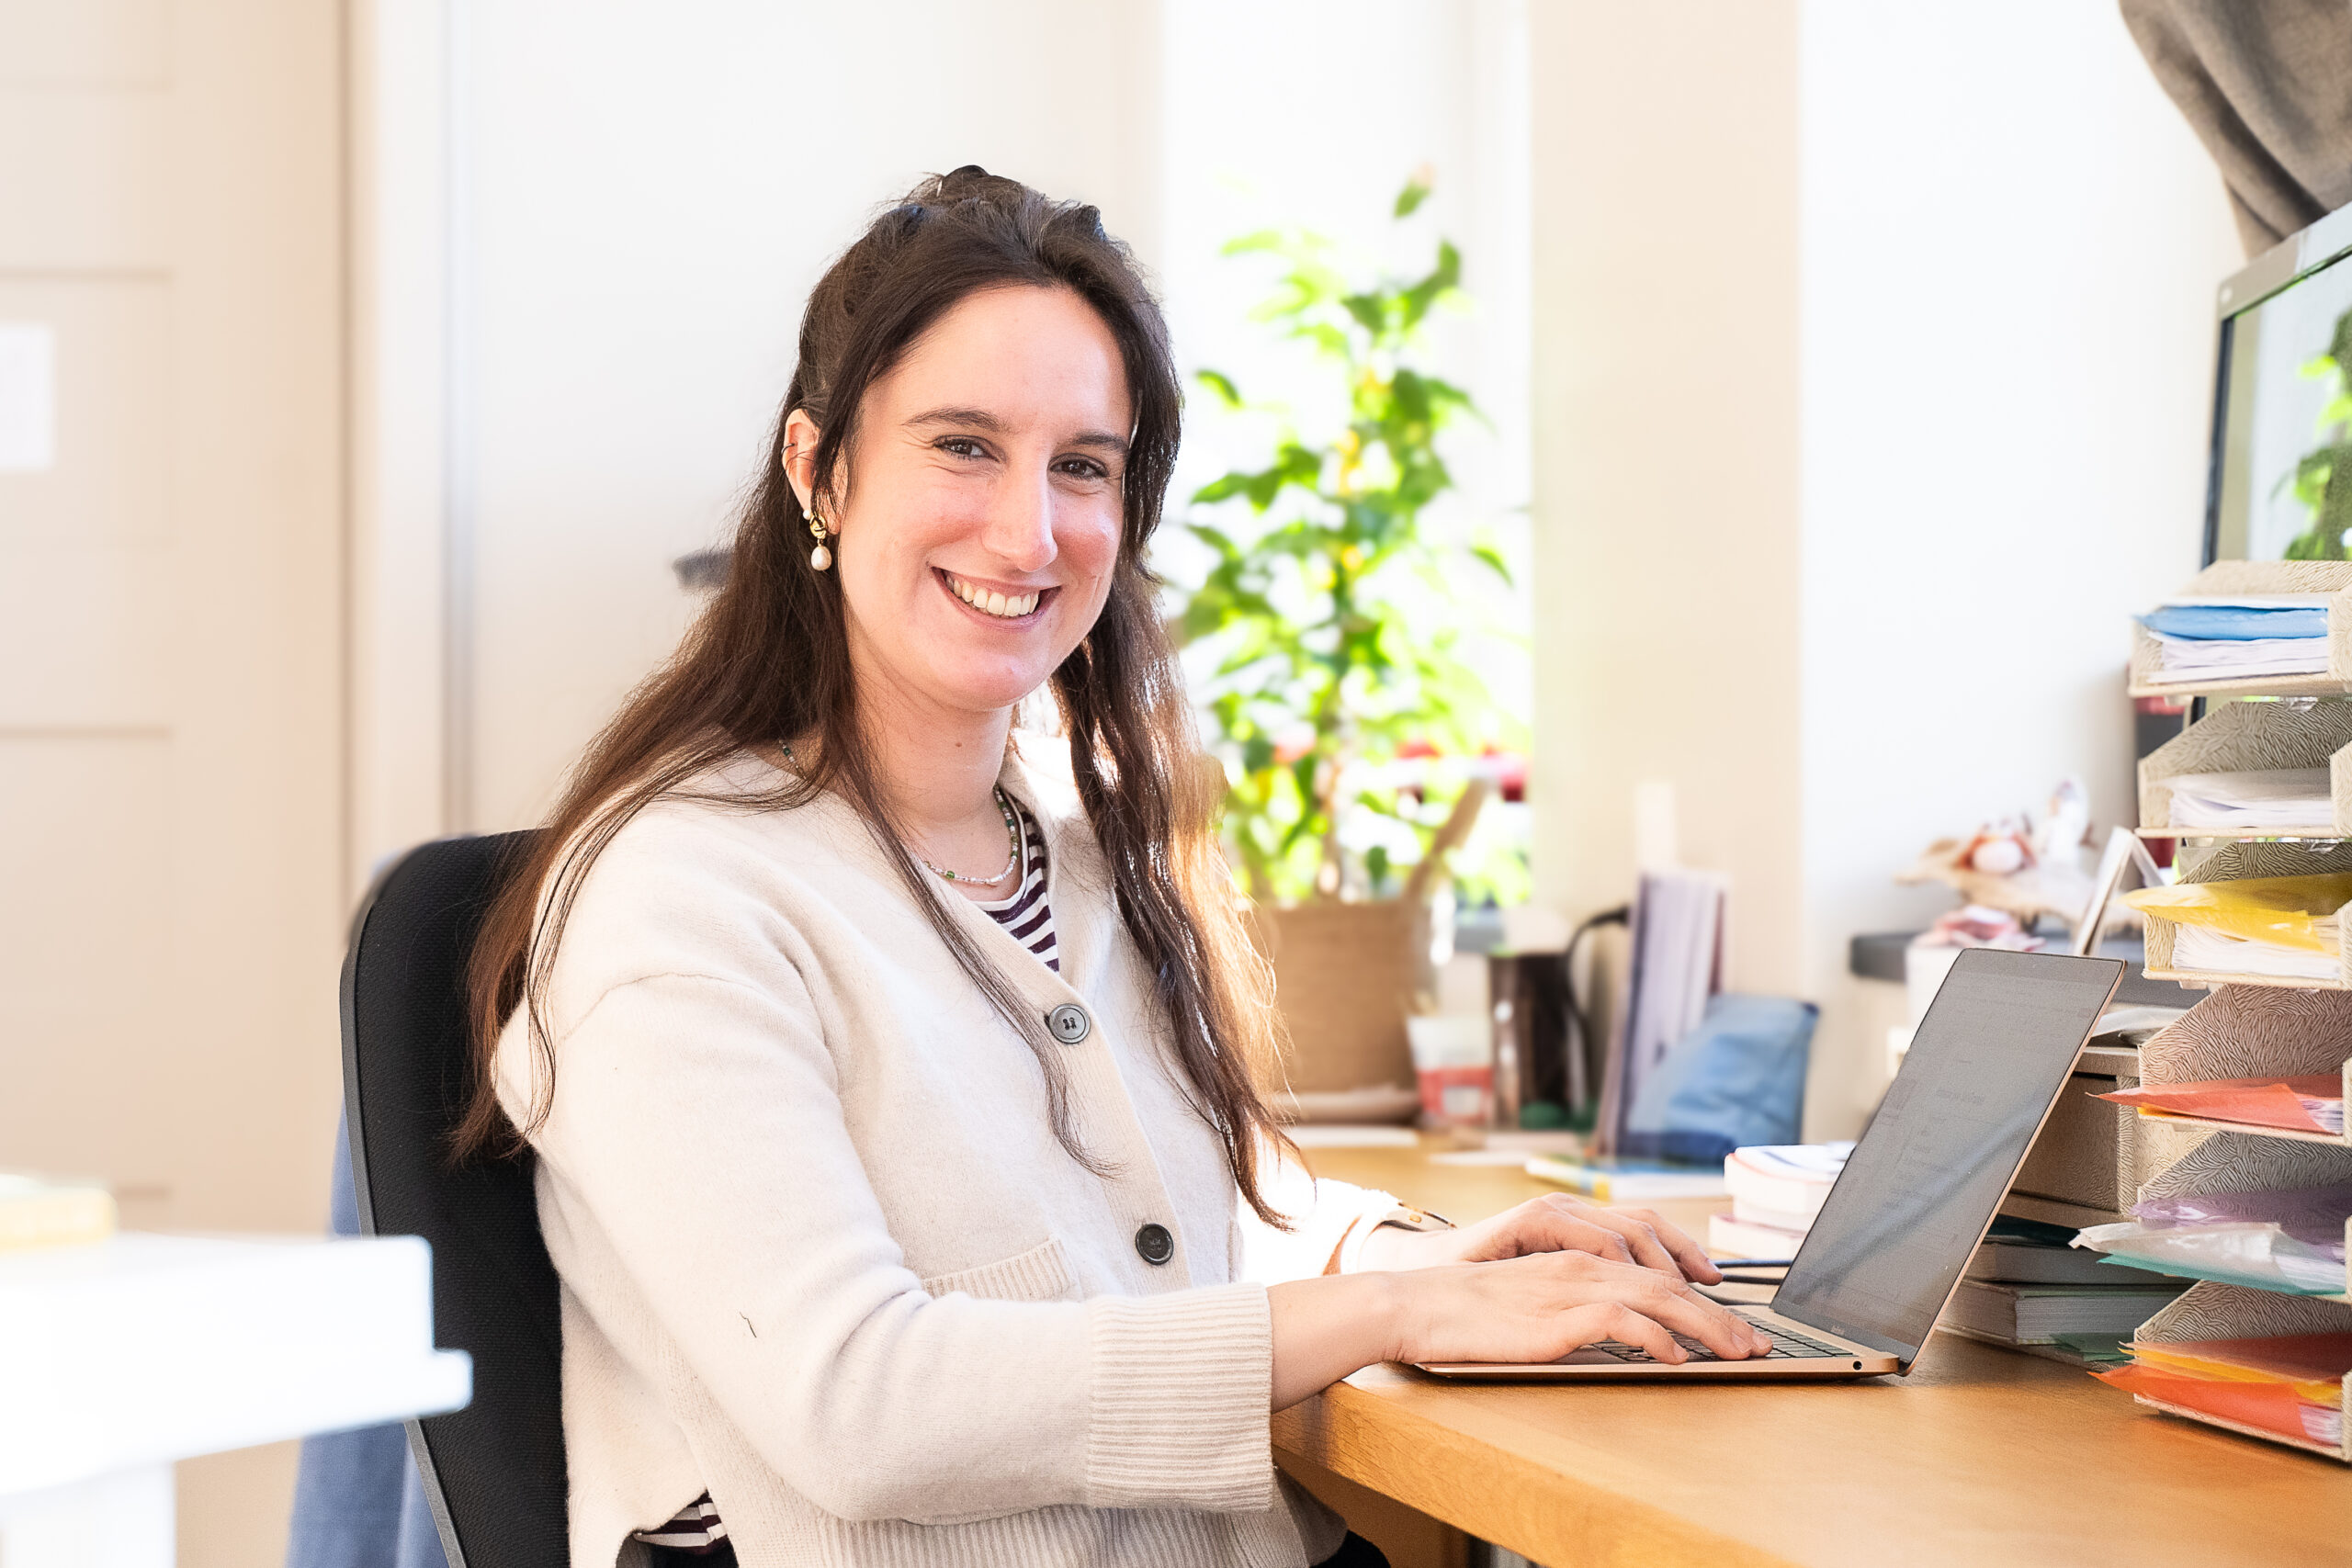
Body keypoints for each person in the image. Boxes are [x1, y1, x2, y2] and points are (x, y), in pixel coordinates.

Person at [460, 166, 1769, 1568]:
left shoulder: (1078, 861)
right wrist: (1391, 1316)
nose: (1030, 533)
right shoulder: (678, 899)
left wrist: (1418, 1258)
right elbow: (860, 1402)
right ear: (816, 470)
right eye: (964, 446)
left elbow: (1147, 1240)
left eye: (1083, 466)